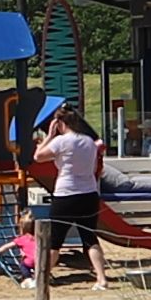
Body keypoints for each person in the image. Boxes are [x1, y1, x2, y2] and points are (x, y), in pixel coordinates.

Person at [31, 98, 111, 286]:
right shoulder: (89, 141)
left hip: (66, 194)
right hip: (89, 193)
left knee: (55, 241)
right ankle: (101, 278)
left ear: (59, 123)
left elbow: (38, 156)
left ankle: (40, 278)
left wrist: (49, 136)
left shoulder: (61, 141)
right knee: (90, 238)